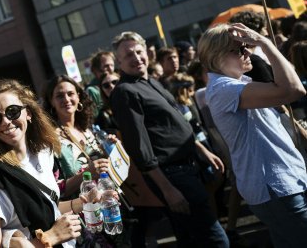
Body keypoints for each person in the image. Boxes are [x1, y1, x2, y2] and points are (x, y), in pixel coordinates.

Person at [110, 31, 228, 247]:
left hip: (187, 166)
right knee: (216, 240)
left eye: (138, 51)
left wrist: (201, 149)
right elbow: (140, 149)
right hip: (172, 176)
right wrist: (167, 189)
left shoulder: (152, 82)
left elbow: (172, 125)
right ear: (118, 62)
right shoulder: (125, 92)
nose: (136, 58)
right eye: (128, 55)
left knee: (192, 240)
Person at [199, 23, 307, 247]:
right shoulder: (223, 89)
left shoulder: (236, 83)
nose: (248, 51)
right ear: (217, 57)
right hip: (275, 187)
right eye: (239, 49)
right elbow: (293, 90)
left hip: (282, 183)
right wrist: (265, 43)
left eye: (247, 46)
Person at [0, 79, 85, 248]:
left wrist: (82, 203)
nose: (5, 121)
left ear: (28, 113)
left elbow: (45, 207)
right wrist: (50, 237)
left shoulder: (43, 153)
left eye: (12, 111)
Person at [41, 75, 110, 199]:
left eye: (70, 93)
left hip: (109, 203)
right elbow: (54, 192)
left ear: (78, 96)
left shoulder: (87, 129)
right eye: (59, 96)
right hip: (84, 213)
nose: (66, 99)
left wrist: (109, 149)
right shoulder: (49, 139)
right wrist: (87, 173)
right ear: (51, 101)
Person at [86, 51, 116, 119]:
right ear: (96, 69)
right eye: (106, 66)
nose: (110, 69)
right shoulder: (92, 90)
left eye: (112, 65)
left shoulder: (117, 80)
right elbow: (93, 117)